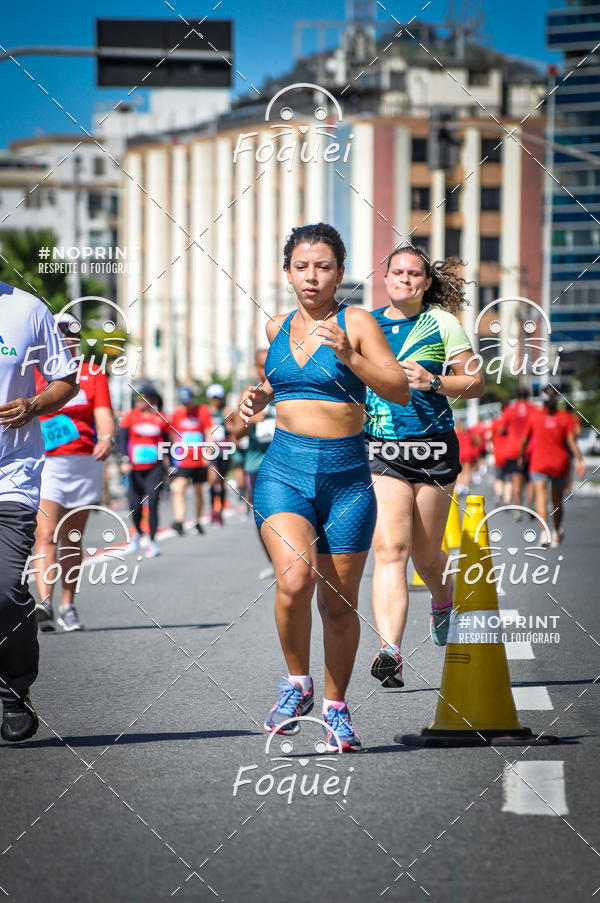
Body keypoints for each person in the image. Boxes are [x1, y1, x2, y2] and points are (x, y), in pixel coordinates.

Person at [239, 223, 410, 752]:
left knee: (338, 604)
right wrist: (255, 399)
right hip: (283, 471)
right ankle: (297, 683)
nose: (312, 276)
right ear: (287, 271)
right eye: (301, 266)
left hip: (347, 480)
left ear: (340, 271)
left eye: (324, 267)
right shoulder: (274, 328)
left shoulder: (356, 322)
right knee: (294, 582)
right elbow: (278, 382)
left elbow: (399, 389)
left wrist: (353, 358)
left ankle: (336, 707)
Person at [364, 245, 485, 690]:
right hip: (383, 450)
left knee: (426, 555)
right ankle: (390, 652)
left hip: (434, 451)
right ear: (386, 277)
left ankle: (441, 598)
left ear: (427, 282)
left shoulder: (443, 324)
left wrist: (433, 381)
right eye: (398, 272)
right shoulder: (367, 324)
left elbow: (475, 383)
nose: (405, 280)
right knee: (391, 550)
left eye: (415, 274)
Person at [0, 281, 77, 741]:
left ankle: (14, 687)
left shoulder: (27, 310)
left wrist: (33, 404)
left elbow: (65, 379)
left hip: (11, 473)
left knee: (7, 589)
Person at [33, 312, 115, 632]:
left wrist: (106, 437)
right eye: (60, 331)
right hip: (48, 463)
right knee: (46, 534)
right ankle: (43, 603)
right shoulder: (37, 372)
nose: (66, 337)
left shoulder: (92, 373)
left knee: (72, 537)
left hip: (84, 462)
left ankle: (68, 605)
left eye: (72, 332)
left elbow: (103, 414)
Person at [229, 349, 277, 579]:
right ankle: (272, 560)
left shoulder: (289, 389)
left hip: (287, 460)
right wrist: (249, 421)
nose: (265, 370)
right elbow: (235, 433)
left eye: (269, 364)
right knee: (263, 515)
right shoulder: (249, 393)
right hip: (257, 463)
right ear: (255, 368)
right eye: (261, 366)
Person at [522, 385, 585, 547]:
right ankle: (556, 533)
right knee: (557, 501)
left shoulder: (534, 416)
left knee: (541, 498)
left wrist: (521, 456)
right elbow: (571, 442)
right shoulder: (565, 418)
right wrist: (580, 460)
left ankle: (544, 534)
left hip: (539, 463)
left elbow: (524, 440)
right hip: (559, 463)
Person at [117, 387, 170, 558]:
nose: (138, 401)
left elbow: (167, 442)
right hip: (134, 468)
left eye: (142, 398)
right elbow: (122, 440)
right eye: (137, 398)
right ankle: (138, 533)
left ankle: (152, 541)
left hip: (154, 468)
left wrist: (168, 463)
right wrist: (124, 460)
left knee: (153, 501)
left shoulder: (160, 418)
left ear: (151, 400)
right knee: (134, 504)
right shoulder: (130, 416)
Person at [169, 386, 212, 536]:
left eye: (188, 401)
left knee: (198, 490)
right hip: (183, 459)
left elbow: (208, 431)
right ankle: (179, 520)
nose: (186, 405)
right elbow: (173, 435)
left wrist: (208, 451)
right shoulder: (177, 413)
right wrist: (173, 455)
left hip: (199, 459)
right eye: (183, 402)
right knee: (179, 488)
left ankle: (198, 520)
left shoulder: (203, 411)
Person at [499, 387, 536, 519]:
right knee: (531, 480)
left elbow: (501, 429)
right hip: (531, 450)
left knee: (516, 481)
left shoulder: (510, 410)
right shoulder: (534, 409)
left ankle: (518, 510)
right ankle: (530, 506)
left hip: (513, 449)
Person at [206, 384, 234, 525]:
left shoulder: (226, 411)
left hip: (224, 449)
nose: (216, 400)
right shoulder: (206, 412)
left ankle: (221, 510)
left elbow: (232, 428)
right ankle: (212, 509)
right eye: (213, 397)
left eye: (218, 397)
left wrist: (228, 419)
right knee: (213, 479)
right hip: (212, 450)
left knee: (221, 481)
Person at [491, 401, 513, 506]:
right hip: (510, 454)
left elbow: (490, 437)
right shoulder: (512, 423)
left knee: (498, 478)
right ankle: (507, 499)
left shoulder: (496, 422)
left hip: (498, 453)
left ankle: (499, 493)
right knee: (509, 479)